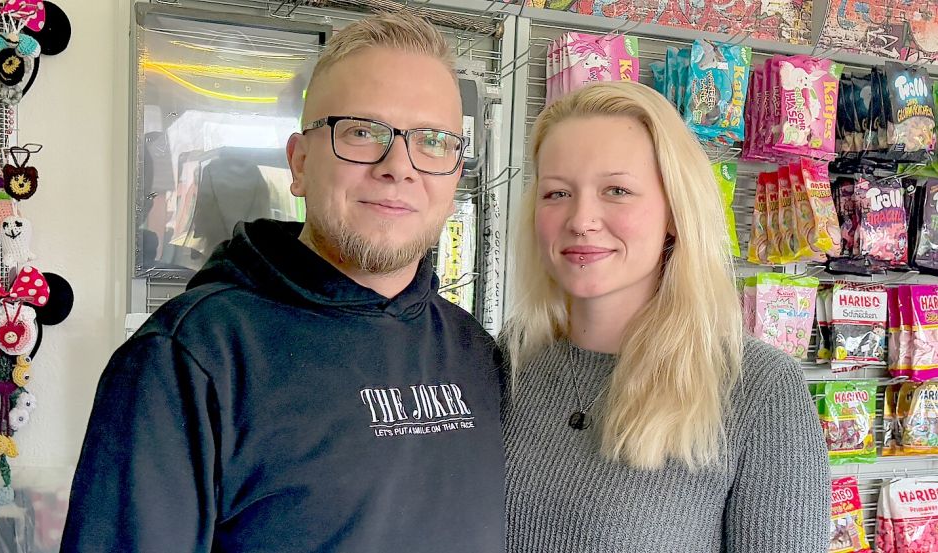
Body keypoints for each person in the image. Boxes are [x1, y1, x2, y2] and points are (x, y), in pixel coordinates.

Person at [62, 11, 504, 553]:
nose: (399, 166)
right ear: (299, 162)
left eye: (433, 140)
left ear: (456, 170)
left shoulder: (477, 354)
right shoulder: (189, 360)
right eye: (362, 132)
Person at [502, 81, 830, 552]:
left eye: (616, 190)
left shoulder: (756, 388)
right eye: (557, 193)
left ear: (674, 212)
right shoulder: (511, 357)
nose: (581, 219)